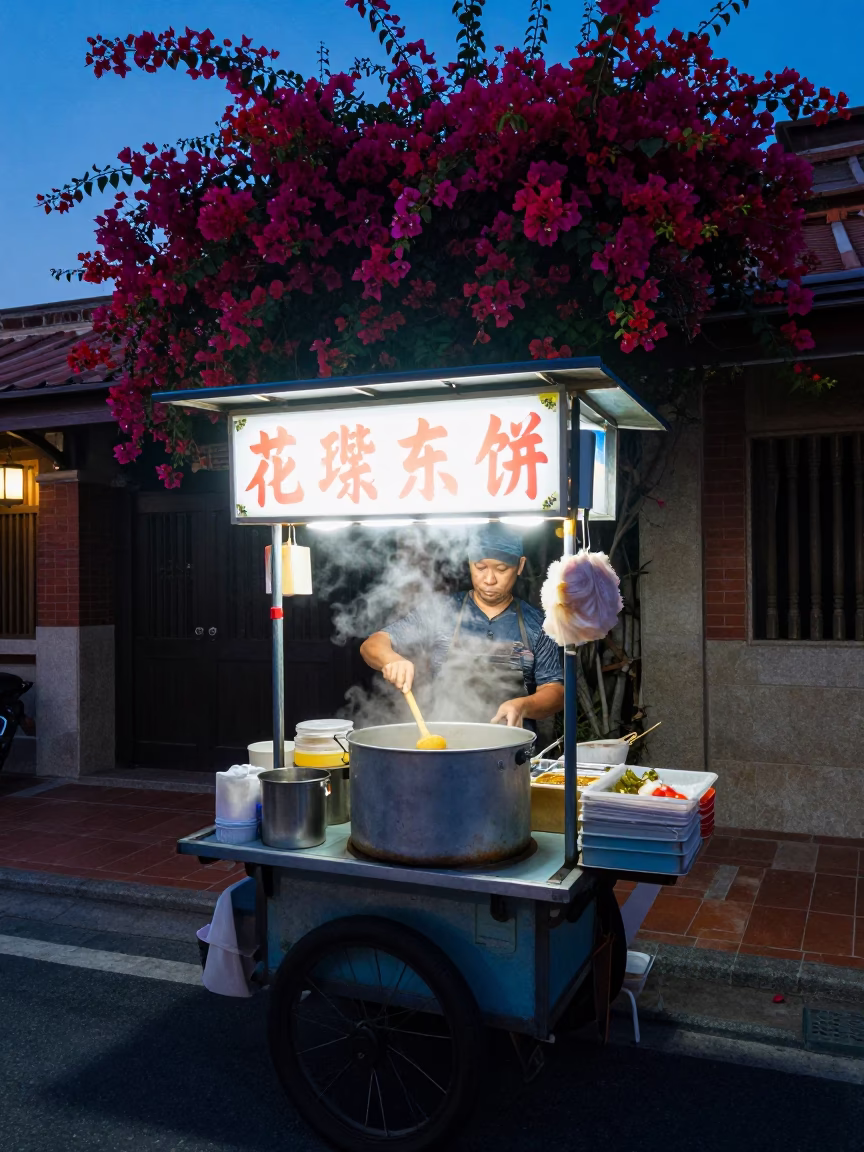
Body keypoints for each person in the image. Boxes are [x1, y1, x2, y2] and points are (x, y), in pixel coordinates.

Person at [359, 524, 564, 728]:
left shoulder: (538, 624)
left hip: (513, 748)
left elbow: (555, 691)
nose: (489, 579)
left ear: (520, 566)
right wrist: (391, 659)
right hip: (448, 744)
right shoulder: (442, 611)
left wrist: (522, 705)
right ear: (469, 562)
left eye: (502, 569)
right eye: (480, 567)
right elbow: (373, 644)